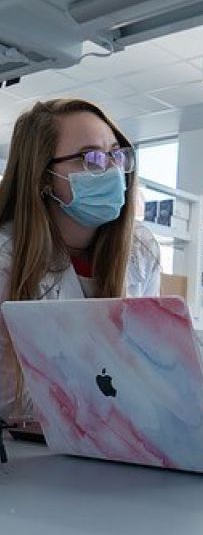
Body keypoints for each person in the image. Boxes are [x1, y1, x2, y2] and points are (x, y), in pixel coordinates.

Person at [0, 98, 160, 420]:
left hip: (117, 441)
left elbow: (147, 366)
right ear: (44, 177)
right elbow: (8, 396)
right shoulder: (6, 256)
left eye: (116, 154)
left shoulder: (141, 250)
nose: (113, 169)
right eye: (91, 158)